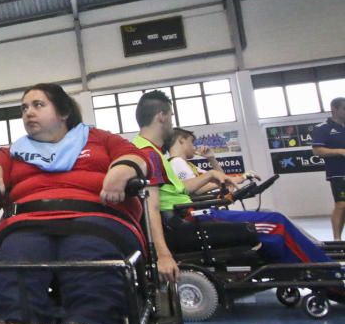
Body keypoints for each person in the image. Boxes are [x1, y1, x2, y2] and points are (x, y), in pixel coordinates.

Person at [0, 83, 172, 324]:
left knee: (89, 253)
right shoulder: (13, 151)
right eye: (24, 108)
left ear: (63, 112)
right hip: (29, 222)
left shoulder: (100, 139)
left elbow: (136, 158)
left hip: (95, 218)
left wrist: (121, 171)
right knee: (20, 255)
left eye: (38, 105)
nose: (28, 112)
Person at [134, 91, 337, 267]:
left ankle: (314, 266)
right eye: (170, 115)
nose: (172, 121)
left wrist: (212, 173)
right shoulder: (149, 153)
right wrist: (163, 254)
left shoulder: (152, 152)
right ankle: (327, 275)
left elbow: (181, 189)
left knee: (274, 221)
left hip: (187, 215)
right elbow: (152, 207)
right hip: (186, 219)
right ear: (161, 116)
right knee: (277, 223)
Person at [311, 97, 345, 241]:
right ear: (334, 109)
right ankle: (337, 241)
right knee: (341, 205)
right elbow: (317, 151)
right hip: (338, 173)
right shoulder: (322, 128)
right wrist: (341, 151)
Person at [166, 127, 239, 193]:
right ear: (181, 140)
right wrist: (225, 182)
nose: (194, 147)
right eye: (192, 142)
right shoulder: (176, 162)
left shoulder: (189, 165)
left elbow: (220, 176)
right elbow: (195, 189)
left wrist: (211, 158)